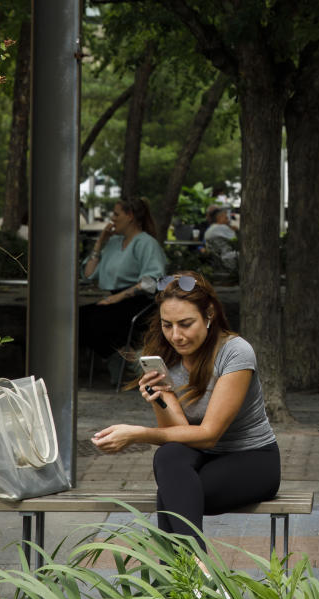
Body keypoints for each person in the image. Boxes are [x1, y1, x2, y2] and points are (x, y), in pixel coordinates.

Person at [91, 271, 280, 549]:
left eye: (185, 324)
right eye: (167, 325)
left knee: (174, 495)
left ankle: (185, 578)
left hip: (253, 460)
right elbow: (176, 433)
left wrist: (136, 434)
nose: (176, 336)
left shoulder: (236, 352)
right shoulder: (165, 355)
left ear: (210, 314)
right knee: (170, 458)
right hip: (201, 458)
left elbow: (209, 434)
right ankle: (194, 578)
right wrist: (162, 397)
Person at [79, 197, 167, 363]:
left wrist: (118, 297)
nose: (112, 218)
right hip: (114, 301)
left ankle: (126, 360)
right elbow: (89, 274)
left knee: (95, 321)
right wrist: (100, 242)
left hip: (138, 302)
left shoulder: (147, 243)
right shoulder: (113, 242)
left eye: (116, 214)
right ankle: (118, 357)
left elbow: (151, 281)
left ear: (130, 216)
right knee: (76, 319)